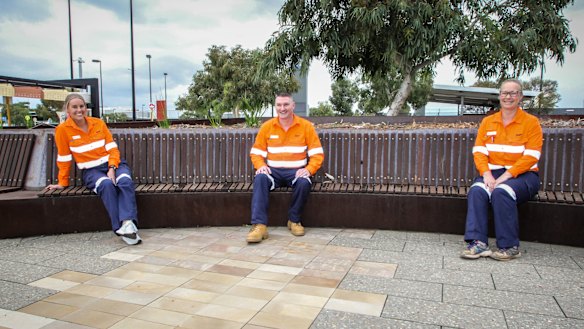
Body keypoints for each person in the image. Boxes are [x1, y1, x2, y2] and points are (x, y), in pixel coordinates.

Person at [461, 79, 542, 261]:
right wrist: (487, 174)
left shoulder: (531, 123)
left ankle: (509, 246)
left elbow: (531, 157)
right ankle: (478, 243)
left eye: (513, 93)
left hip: (524, 176)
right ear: (499, 96)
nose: (508, 97)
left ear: (520, 97)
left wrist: (507, 176)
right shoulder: (488, 122)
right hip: (493, 173)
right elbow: (479, 152)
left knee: (501, 191)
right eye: (505, 93)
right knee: (477, 190)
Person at [46, 93, 142, 245]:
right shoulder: (62, 130)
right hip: (91, 171)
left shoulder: (98, 123)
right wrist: (62, 182)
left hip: (114, 165)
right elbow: (64, 158)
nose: (79, 110)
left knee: (124, 181)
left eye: (82, 106)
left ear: (86, 108)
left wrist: (112, 167)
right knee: (107, 185)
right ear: (67, 110)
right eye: (75, 107)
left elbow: (112, 149)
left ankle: (128, 224)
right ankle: (119, 227)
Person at [246, 92, 324, 243]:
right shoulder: (267, 127)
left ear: (293, 106)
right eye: (279, 105)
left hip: (296, 171)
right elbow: (256, 153)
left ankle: (294, 221)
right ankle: (259, 226)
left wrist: (308, 169)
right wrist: (260, 166)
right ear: (275, 107)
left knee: (304, 182)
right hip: (272, 172)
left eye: (286, 104)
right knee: (260, 178)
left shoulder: (305, 126)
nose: (282, 108)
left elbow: (317, 154)